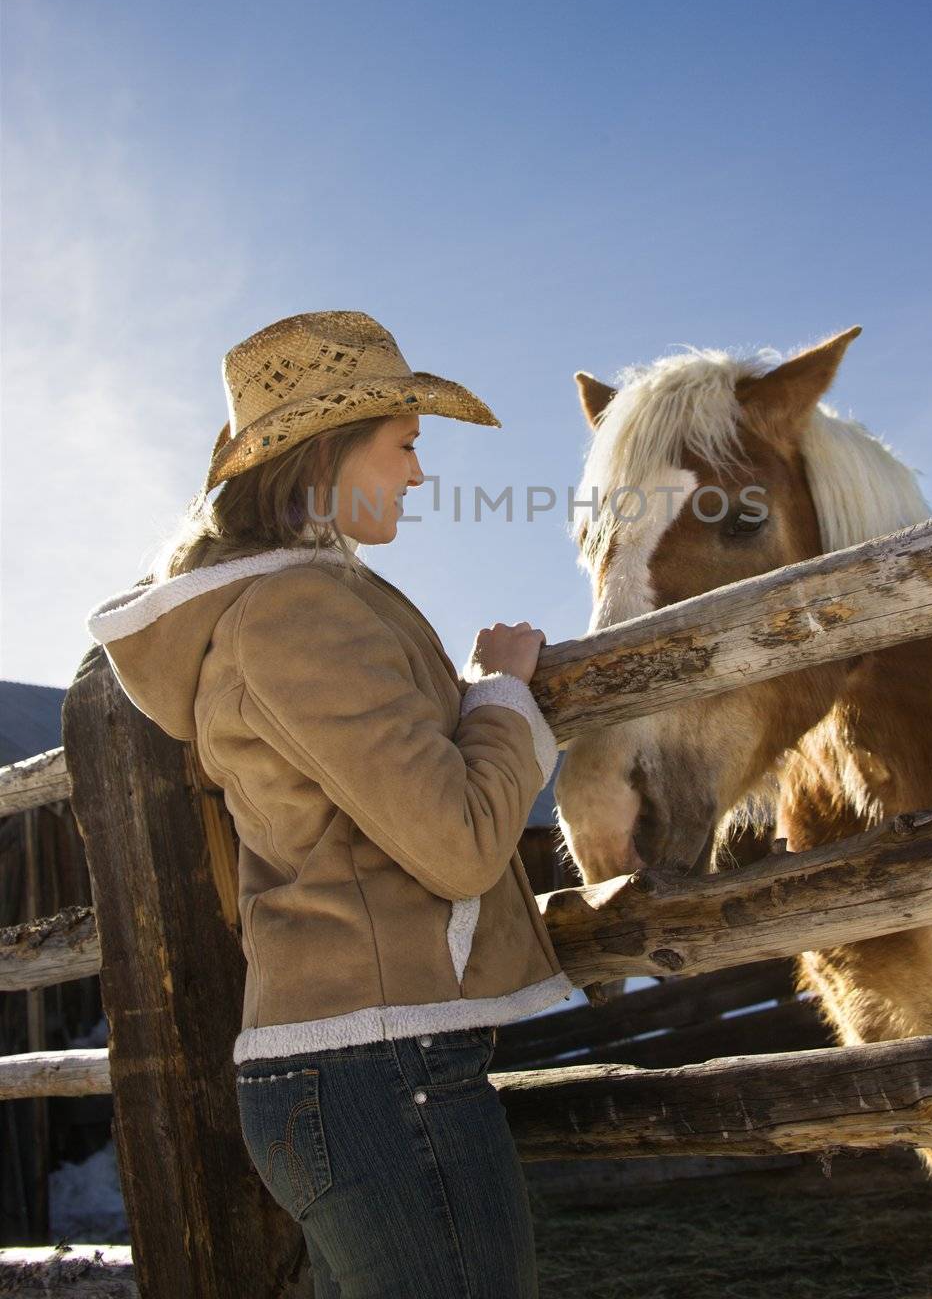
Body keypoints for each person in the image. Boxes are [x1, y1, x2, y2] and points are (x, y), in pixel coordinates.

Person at [85, 309, 576, 1298]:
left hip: (363, 1071)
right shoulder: (296, 614)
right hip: (382, 1074)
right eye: (402, 444)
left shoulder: (282, 609)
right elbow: (460, 842)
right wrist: (500, 693)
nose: (417, 474)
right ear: (326, 451)